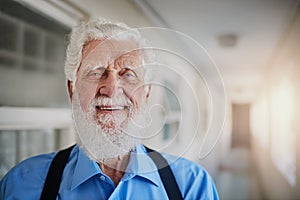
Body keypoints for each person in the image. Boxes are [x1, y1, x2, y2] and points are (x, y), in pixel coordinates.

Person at [0, 18, 219, 199]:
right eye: (96, 72)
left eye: (128, 74)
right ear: (72, 89)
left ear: (146, 93)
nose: (112, 89)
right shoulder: (20, 185)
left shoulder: (191, 186)